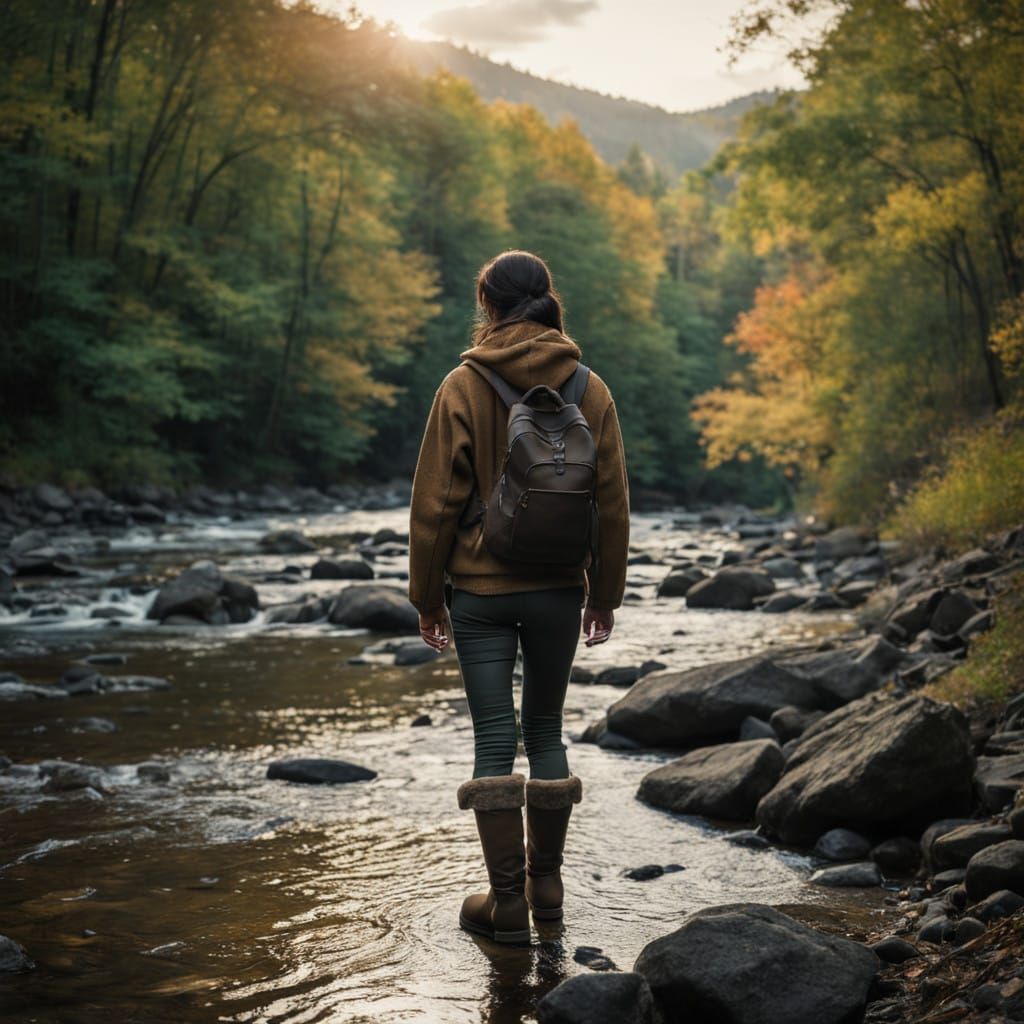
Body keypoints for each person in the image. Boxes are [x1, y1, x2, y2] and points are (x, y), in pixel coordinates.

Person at [407, 249, 630, 944]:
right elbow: (613, 503)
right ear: (547, 300)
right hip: (561, 588)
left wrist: (426, 596)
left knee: (494, 739)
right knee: (545, 730)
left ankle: (506, 907)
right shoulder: (589, 387)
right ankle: (550, 895)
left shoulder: (460, 385)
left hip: (478, 589)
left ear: (489, 306)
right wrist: (606, 593)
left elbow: (435, 504)